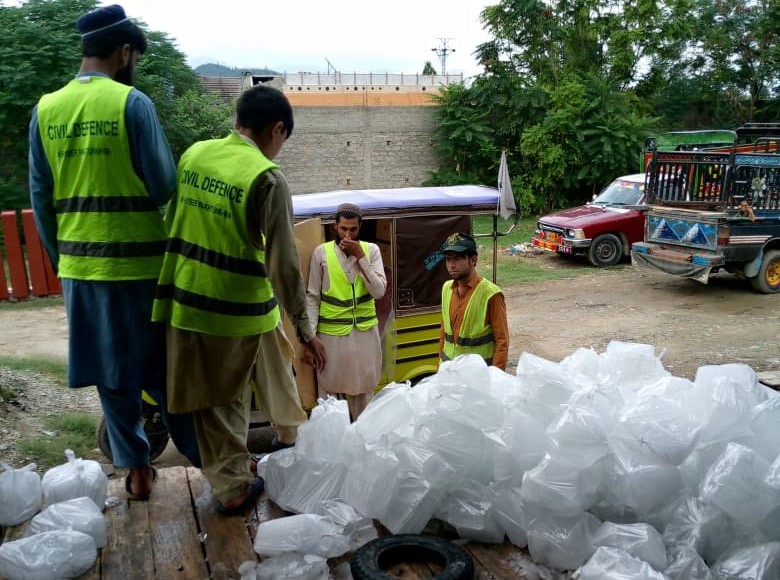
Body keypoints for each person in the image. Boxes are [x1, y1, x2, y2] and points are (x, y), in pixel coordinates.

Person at [28, 4, 200, 502]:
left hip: (81, 269)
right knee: (167, 373)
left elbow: (41, 197)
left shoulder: (46, 109)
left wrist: (64, 258)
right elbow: (164, 184)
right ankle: (207, 464)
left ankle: (138, 469)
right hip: (142, 266)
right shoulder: (132, 104)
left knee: (110, 371)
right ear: (125, 52)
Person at [151, 84, 327, 516]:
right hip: (231, 309)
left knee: (274, 361)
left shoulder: (195, 154)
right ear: (278, 129)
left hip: (190, 298)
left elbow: (177, 222)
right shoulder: (266, 177)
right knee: (224, 399)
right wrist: (306, 331)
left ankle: (290, 439)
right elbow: (284, 266)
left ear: (238, 120)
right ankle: (233, 487)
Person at [305, 203, 387, 420]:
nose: (348, 234)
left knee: (363, 394)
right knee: (331, 396)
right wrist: (310, 338)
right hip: (330, 338)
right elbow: (312, 297)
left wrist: (361, 258)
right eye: (343, 229)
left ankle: (362, 444)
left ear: (360, 228)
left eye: (353, 229)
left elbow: (378, 292)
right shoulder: (321, 253)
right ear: (335, 227)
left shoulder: (372, 251)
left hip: (365, 335)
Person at [438, 232, 509, 371]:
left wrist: (496, 380)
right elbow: (443, 332)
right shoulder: (446, 288)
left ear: (473, 260)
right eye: (448, 259)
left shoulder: (491, 294)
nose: (452, 265)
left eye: (457, 259)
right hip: (449, 374)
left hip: (477, 377)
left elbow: (502, 342)